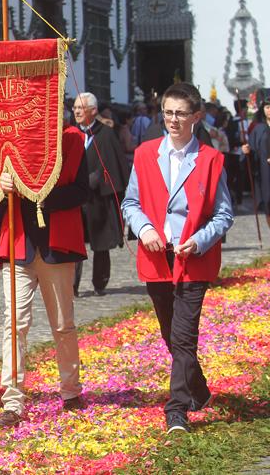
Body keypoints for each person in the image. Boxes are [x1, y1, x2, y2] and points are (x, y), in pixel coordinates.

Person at [121, 82, 233, 433]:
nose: (172, 119)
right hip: (156, 256)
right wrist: (145, 230)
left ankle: (176, 411)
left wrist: (199, 241)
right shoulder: (144, 154)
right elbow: (130, 203)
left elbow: (223, 214)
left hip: (193, 259)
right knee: (171, 334)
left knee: (185, 336)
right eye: (167, 112)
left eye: (180, 113)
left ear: (196, 117)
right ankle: (198, 389)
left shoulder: (212, 160)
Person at [0, 121, 90, 427]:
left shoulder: (72, 139)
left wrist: (40, 196)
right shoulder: (6, 138)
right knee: (14, 323)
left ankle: (71, 391)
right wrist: (1, 186)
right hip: (18, 244)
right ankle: (12, 399)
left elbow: (82, 190)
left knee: (62, 324)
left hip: (55, 244)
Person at [73, 92, 130, 296]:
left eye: (81, 108)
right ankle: (73, 287)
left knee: (100, 245)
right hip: (76, 200)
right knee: (74, 245)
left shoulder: (105, 135)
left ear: (93, 111)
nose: (77, 111)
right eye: (76, 108)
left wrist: (99, 179)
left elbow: (115, 166)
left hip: (98, 199)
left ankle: (100, 283)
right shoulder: (72, 134)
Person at [242, 95, 270, 225]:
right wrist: (248, 151)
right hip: (265, 171)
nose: (269, 110)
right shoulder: (259, 129)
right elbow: (253, 149)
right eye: (267, 107)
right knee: (268, 201)